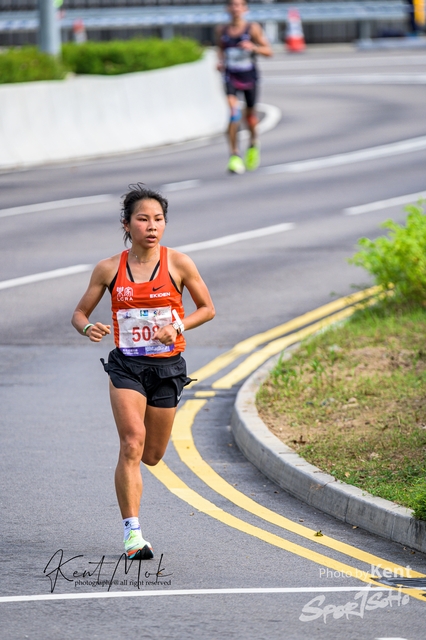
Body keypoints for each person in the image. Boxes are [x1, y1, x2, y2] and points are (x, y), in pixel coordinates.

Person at [72, 184, 215, 560]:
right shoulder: (108, 269)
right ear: (127, 224)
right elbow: (79, 313)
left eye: (158, 219)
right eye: (143, 219)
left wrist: (178, 326)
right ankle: (133, 534)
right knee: (132, 442)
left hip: (167, 368)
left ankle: (133, 512)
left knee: (152, 454)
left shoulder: (178, 264)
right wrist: (89, 328)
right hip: (127, 365)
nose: (152, 226)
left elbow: (207, 308)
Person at [216, 0, 272, 175]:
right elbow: (220, 50)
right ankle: (234, 155)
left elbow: (268, 51)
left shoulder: (252, 28)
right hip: (230, 77)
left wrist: (253, 47)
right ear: (228, 8)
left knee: (251, 118)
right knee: (234, 114)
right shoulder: (222, 30)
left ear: (245, 9)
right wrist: (220, 63)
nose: (235, 8)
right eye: (232, 5)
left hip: (249, 77)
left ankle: (254, 143)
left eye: (239, 5)